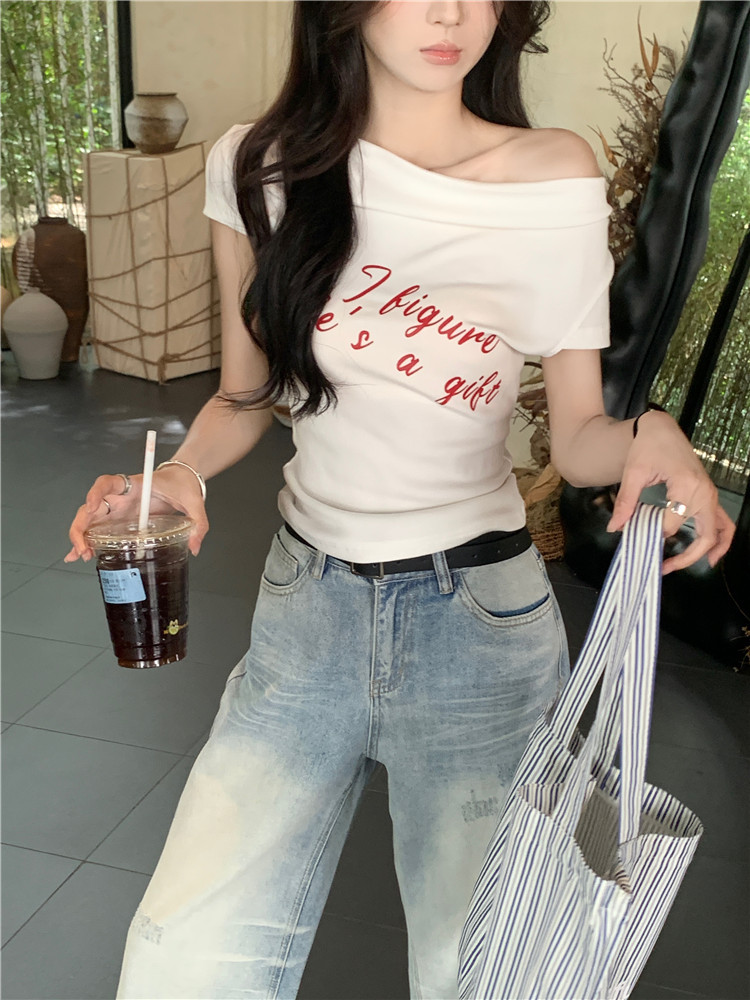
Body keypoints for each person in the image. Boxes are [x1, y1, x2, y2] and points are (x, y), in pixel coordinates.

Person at [67, 3, 735, 997]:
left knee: (480, 974)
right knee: (182, 964)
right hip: (306, 615)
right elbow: (246, 395)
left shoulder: (550, 176)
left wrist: (657, 434)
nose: (451, 11)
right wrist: (181, 474)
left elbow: (582, 434)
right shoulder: (255, 166)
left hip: (479, 629)